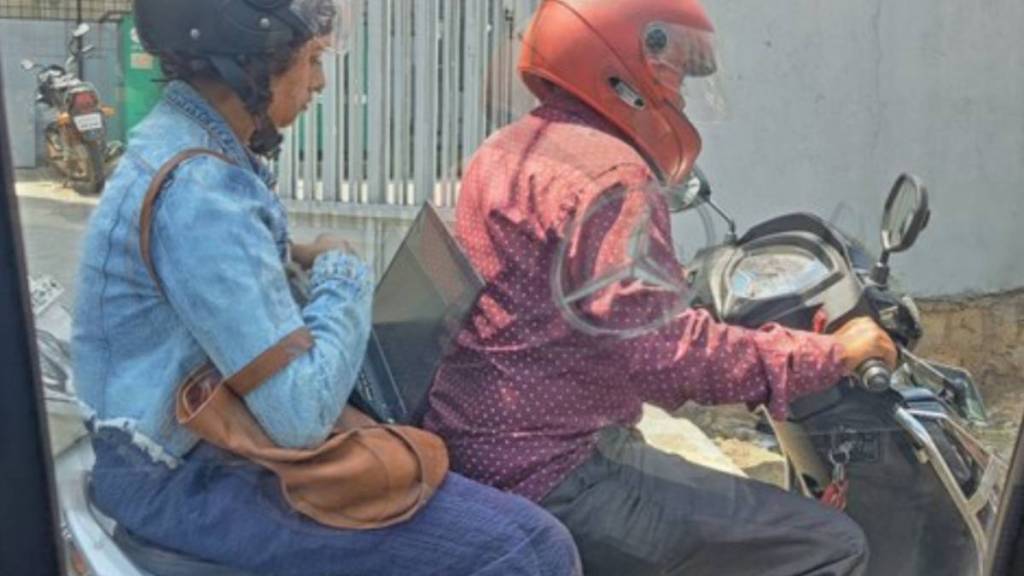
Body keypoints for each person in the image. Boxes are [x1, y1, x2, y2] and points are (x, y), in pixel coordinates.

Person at [72, 1, 581, 574]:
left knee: (540, 539)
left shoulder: (189, 148)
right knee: (518, 550)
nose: (319, 82)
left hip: (189, 453)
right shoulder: (200, 192)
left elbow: (213, 288)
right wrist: (343, 271)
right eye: (311, 60)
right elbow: (300, 415)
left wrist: (291, 260)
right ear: (250, 64)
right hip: (182, 476)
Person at [424, 0, 898, 574]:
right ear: (618, 66)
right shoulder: (612, 178)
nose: (677, 92)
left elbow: (578, 303)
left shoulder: (503, 151)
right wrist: (827, 354)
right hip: (558, 468)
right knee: (829, 544)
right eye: (670, 68)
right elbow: (664, 354)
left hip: (483, 442)